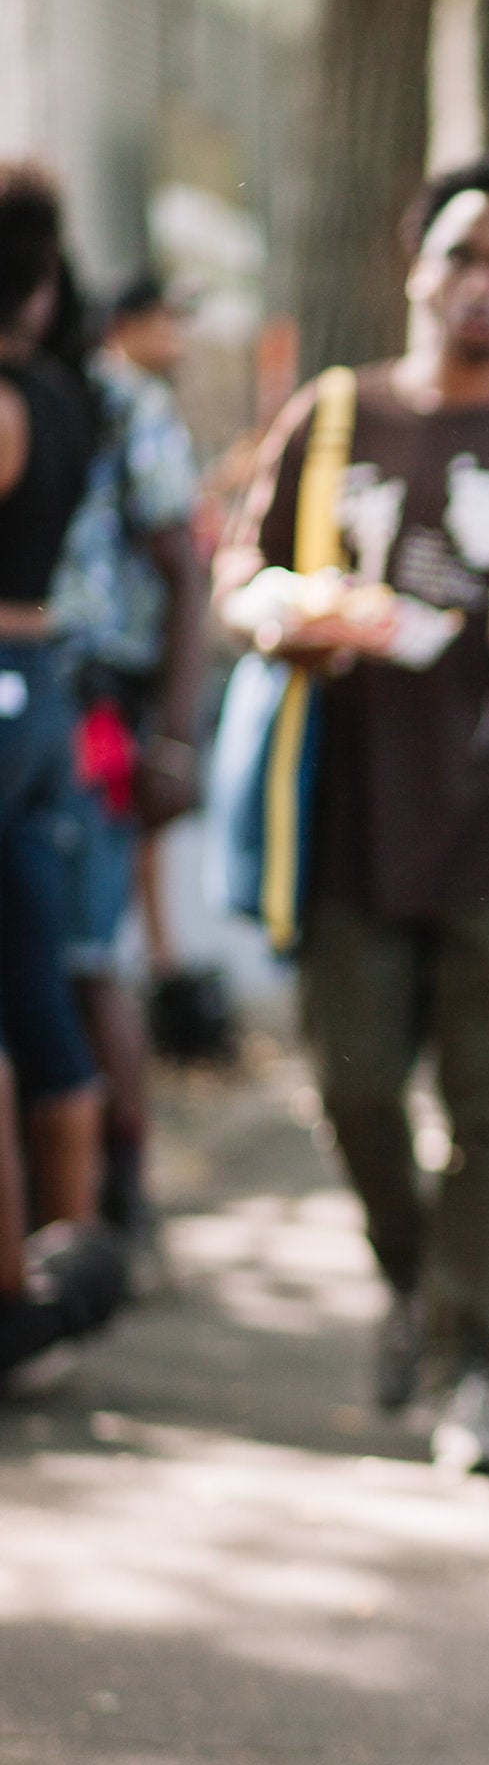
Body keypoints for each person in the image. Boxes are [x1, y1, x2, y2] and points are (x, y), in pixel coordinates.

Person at [216, 152, 489, 1477]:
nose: (479, 283)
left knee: (486, 1120)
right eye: (461, 253)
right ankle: (414, 1284)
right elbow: (240, 570)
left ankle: (469, 1366)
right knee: (353, 1094)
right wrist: (280, 614)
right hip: (345, 825)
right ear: (415, 262)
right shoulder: (333, 416)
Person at [44, 271, 208, 1264]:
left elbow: (182, 570)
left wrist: (172, 736)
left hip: (97, 718)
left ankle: (123, 1204)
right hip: (57, 710)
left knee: (90, 957)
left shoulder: (118, 405)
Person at [0, 168, 127, 1368]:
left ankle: (13, 1278)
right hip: (40, 694)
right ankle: (74, 1247)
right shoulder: (68, 393)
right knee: (38, 968)